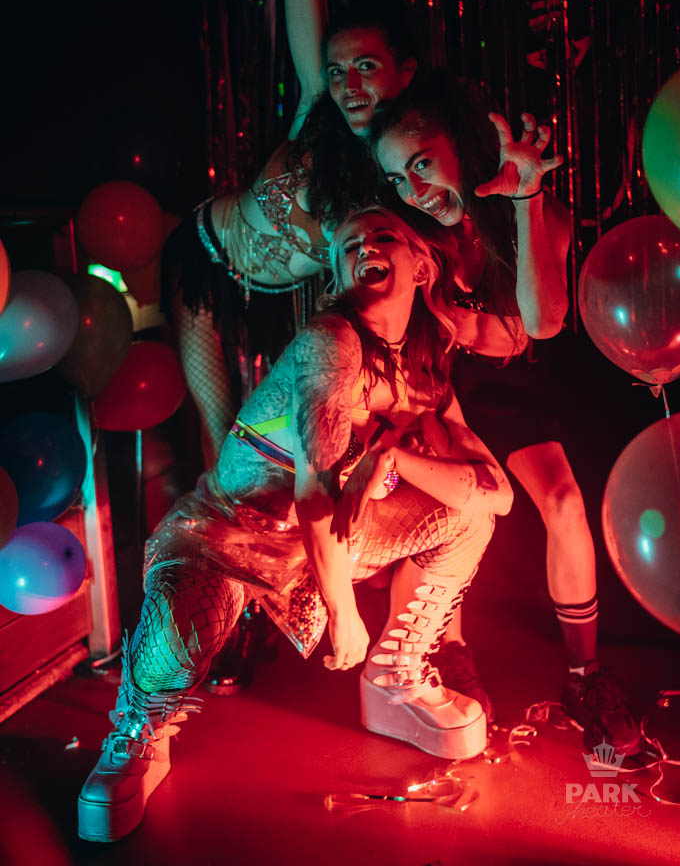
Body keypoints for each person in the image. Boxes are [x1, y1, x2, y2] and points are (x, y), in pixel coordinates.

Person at [77, 207, 514, 843]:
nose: (365, 247)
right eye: (349, 245)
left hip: (322, 540)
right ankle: (137, 731)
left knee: (468, 517)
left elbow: (496, 492)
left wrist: (396, 459)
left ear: (422, 267)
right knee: (186, 635)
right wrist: (343, 613)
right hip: (232, 532)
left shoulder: (424, 363)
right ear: (336, 275)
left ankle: (395, 678)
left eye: (383, 237)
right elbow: (315, 495)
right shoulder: (331, 344)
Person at [161, 0, 419, 690]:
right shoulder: (316, 109)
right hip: (206, 263)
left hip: (276, 305)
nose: (347, 83)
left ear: (405, 75)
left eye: (366, 68)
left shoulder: (398, 179)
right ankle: (217, 623)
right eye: (339, 69)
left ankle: (263, 604)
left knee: (266, 456)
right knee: (219, 430)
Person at [369, 69, 643, 756]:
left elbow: (543, 323)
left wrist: (525, 199)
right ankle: (448, 652)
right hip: (444, 387)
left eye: (422, 164)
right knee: (453, 512)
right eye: (398, 177)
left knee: (565, 502)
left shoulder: (540, 211)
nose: (413, 189)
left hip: (518, 383)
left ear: (462, 146)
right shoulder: (412, 235)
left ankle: (584, 677)